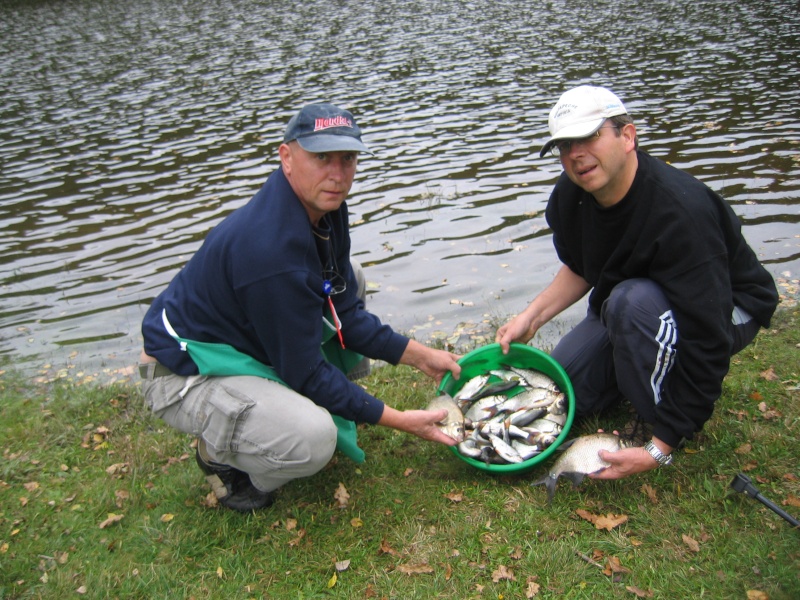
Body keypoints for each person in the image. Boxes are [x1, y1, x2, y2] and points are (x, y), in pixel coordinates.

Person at [139, 102, 461, 512]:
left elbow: (344, 311)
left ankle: (283, 407)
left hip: (241, 340)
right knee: (313, 439)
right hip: (179, 374)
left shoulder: (325, 209)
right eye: (321, 157)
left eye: (347, 159)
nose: (338, 174)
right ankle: (221, 459)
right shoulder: (269, 252)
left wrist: (421, 356)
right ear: (286, 157)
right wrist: (400, 419)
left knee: (352, 277)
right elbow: (304, 370)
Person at [496, 85, 779, 480]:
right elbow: (580, 265)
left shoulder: (681, 212)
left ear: (627, 136)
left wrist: (660, 447)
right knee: (562, 393)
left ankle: (657, 417)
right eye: (564, 145)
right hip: (634, 303)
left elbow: (707, 337)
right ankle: (635, 362)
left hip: (726, 308)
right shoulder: (570, 196)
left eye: (588, 137)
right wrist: (532, 316)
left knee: (630, 304)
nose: (575, 155)